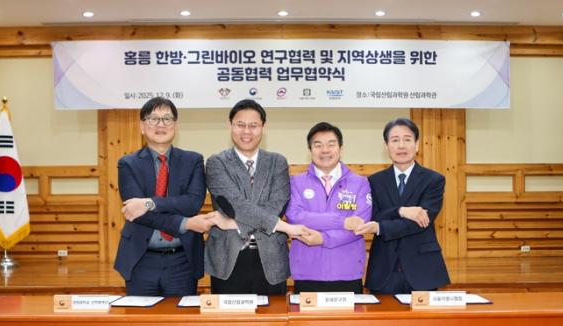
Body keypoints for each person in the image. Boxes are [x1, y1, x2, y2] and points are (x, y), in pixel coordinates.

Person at [114, 96, 214, 297]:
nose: (160, 125)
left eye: (167, 119)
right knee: (140, 316)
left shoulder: (193, 160)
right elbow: (138, 214)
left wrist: (150, 203)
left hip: (183, 261)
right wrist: (185, 224)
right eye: (153, 119)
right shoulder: (128, 164)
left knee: (181, 317)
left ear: (175, 126)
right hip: (140, 259)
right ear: (142, 127)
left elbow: (192, 203)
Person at [204, 99, 307, 295]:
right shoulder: (216, 163)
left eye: (253, 125)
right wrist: (284, 227)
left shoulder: (277, 162)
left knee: (273, 314)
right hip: (227, 258)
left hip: (271, 258)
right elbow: (234, 205)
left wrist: (231, 224)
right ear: (230, 126)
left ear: (263, 128)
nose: (246, 131)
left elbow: (277, 206)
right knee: (228, 315)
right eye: (240, 125)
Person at [352, 117, 450, 294]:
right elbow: (373, 216)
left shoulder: (434, 180)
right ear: (386, 146)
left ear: (417, 145)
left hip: (422, 269)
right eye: (395, 140)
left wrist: (381, 227)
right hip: (383, 269)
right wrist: (401, 211)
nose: (401, 146)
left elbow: (421, 221)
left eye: (407, 139)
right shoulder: (374, 181)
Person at [285, 122, 372, 293]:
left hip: (347, 272)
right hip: (307, 271)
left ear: (341, 148)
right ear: (310, 150)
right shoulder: (295, 182)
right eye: (318, 145)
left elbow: (360, 225)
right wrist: (343, 222)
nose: (325, 150)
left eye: (331, 144)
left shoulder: (360, 183)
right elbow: (295, 217)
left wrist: (323, 239)